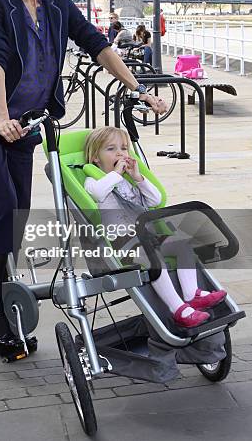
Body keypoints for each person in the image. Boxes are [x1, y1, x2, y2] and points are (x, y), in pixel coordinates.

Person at [0, 0, 167, 360]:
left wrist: (138, 88)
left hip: (27, 125)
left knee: (20, 213)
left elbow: (97, 44)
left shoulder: (57, 2)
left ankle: (2, 288)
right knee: (1, 204)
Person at [83, 127, 227, 328]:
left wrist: (138, 178)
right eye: (110, 149)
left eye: (124, 148)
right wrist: (116, 173)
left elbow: (155, 199)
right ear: (95, 159)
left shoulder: (126, 182)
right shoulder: (93, 181)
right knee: (154, 260)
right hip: (124, 244)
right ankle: (178, 309)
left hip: (146, 237)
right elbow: (98, 193)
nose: (119, 153)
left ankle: (191, 294)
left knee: (182, 243)